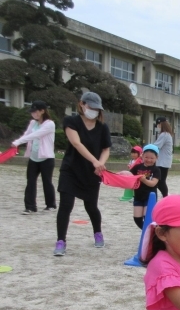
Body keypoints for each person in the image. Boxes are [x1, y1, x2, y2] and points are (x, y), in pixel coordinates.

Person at [54, 91, 111, 256]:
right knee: (66, 205)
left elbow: (106, 149)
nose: (93, 110)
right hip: (71, 170)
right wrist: (95, 161)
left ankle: (98, 233)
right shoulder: (71, 121)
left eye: (96, 108)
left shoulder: (102, 128)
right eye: (90, 106)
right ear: (82, 104)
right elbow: (76, 143)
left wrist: (100, 163)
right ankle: (61, 241)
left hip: (91, 173)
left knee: (91, 206)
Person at [12, 100, 57, 215]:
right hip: (34, 157)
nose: (33, 114)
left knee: (47, 181)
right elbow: (27, 135)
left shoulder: (49, 124)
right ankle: (30, 206)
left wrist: (19, 141)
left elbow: (36, 134)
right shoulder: (33, 123)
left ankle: (50, 204)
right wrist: (16, 143)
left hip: (46, 158)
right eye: (32, 112)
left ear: (42, 111)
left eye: (35, 111)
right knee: (30, 181)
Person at [131, 144, 161, 229]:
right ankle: (147, 233)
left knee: (147, 217)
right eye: (146, 157)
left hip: (150, 197)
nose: (149, 160)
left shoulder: (156, 170)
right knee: (137, 219)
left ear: (156, 158)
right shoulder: (137, 167)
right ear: (142, 155)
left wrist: (144, 180)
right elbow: (129, 176)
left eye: (152, 158)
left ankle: (151, 235)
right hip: (138, 196)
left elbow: (153, 183)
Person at [153, 117, 173, 197]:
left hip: (162, 162)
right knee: (158, 181)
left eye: (158, 124)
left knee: (160, 181)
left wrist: (146, 149)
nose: (157, 126)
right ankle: (164, 196)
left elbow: (156, 146)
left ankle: (166, 196)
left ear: (160, 124)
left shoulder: (164, 134)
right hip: (163, 161)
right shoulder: (166, 134)